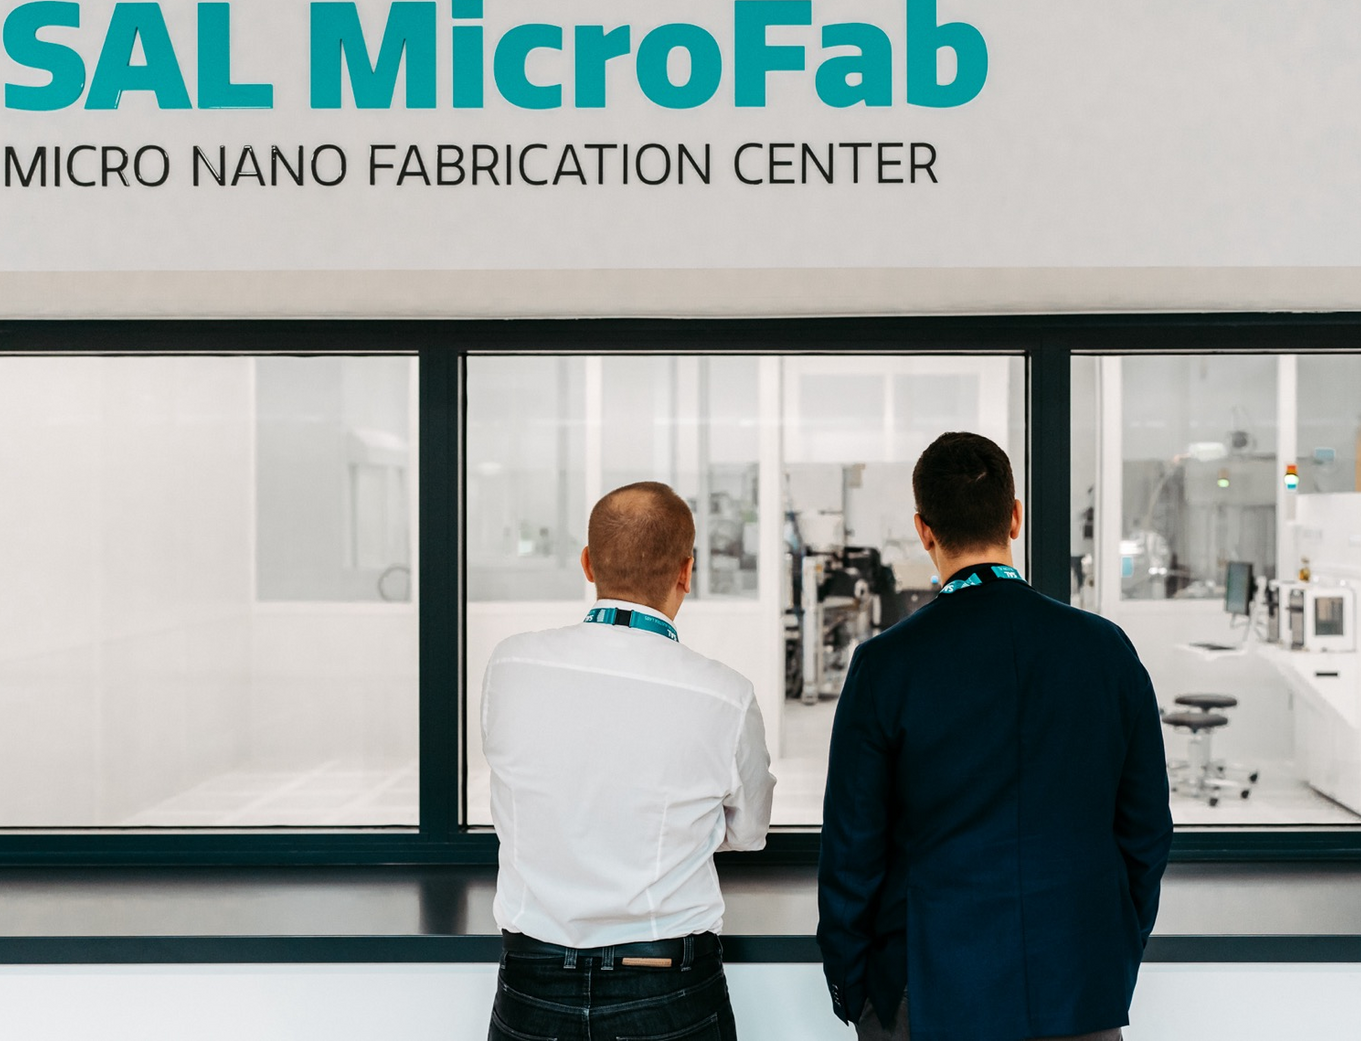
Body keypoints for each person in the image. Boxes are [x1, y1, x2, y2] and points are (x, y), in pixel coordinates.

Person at [818, 432, 1173, 1041]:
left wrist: (859, 996)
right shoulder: (1105, 650)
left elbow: (852, 849)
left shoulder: (887, 664)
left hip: (928, 995)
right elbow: (1145, 831)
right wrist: (1110, 953)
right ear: (1014, 518)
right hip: (1079, 985)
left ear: (924, 530)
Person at [483, 480, 776, 1041]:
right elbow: (751, 832)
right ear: (687, 572)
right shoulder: (726, 696)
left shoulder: (510, 667)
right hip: (668, 983)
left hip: (532, 982)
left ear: (588, 564)